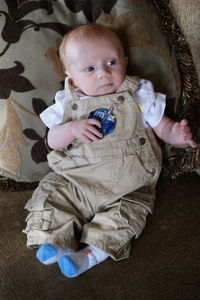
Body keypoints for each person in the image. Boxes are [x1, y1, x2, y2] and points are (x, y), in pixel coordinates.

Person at [23, 23, 196, 278]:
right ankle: (54, 243)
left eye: (111, 62)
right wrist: (71, 129)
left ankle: (87, 257)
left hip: (128, 186)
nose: (104, 73)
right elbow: (52, 141)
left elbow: (162, 126)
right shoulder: (66, 103)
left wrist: (176, 134)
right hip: (76, 182)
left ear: (125, 62)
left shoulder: (139, 94)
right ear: (71, 76)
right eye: (90, 69)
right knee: (52, 200)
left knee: (126, 217)